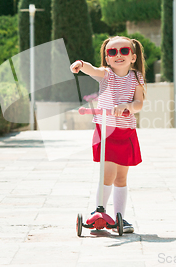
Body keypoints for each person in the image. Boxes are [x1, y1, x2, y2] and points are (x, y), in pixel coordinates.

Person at [70, 36, 146, 233]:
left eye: (124, 51)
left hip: (126, 131)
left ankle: (120, 218)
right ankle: (100, 212)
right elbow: (92, 70)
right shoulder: (107, 75)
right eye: (113, 52)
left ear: (133, 56)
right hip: (106, 132)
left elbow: (138, 103)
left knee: (121, 177)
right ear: (107, 57)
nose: (118, 55)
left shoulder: (136, 77)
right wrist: (80, 64)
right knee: (108, 174)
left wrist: (127, 106)